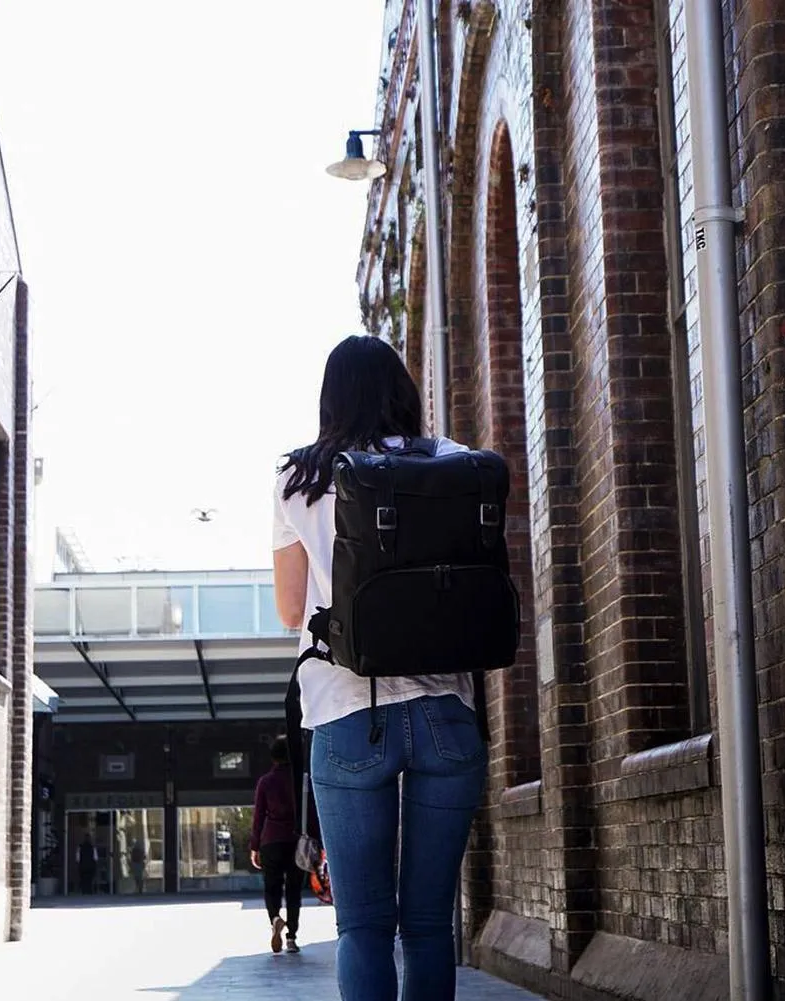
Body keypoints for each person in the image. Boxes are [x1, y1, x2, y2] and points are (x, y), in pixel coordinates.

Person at [272, 335, 488, 1001]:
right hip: (447, 712)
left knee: (362, 925)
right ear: (403, 390)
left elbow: (288, 611)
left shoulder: (299, 475)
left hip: (344, 711)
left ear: (329, 399)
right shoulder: (454, 463)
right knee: (426, 924)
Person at [251, 736, 306, 954]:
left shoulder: (265, 782)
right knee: (294, 890)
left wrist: (255, 845)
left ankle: (275, 918)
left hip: (270, 840)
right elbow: (309, 812)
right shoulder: (301, 780)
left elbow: (258, 816)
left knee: (271, 887)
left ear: (273, 757)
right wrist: (315, 840)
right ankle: (292, 938)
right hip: (295, 840)